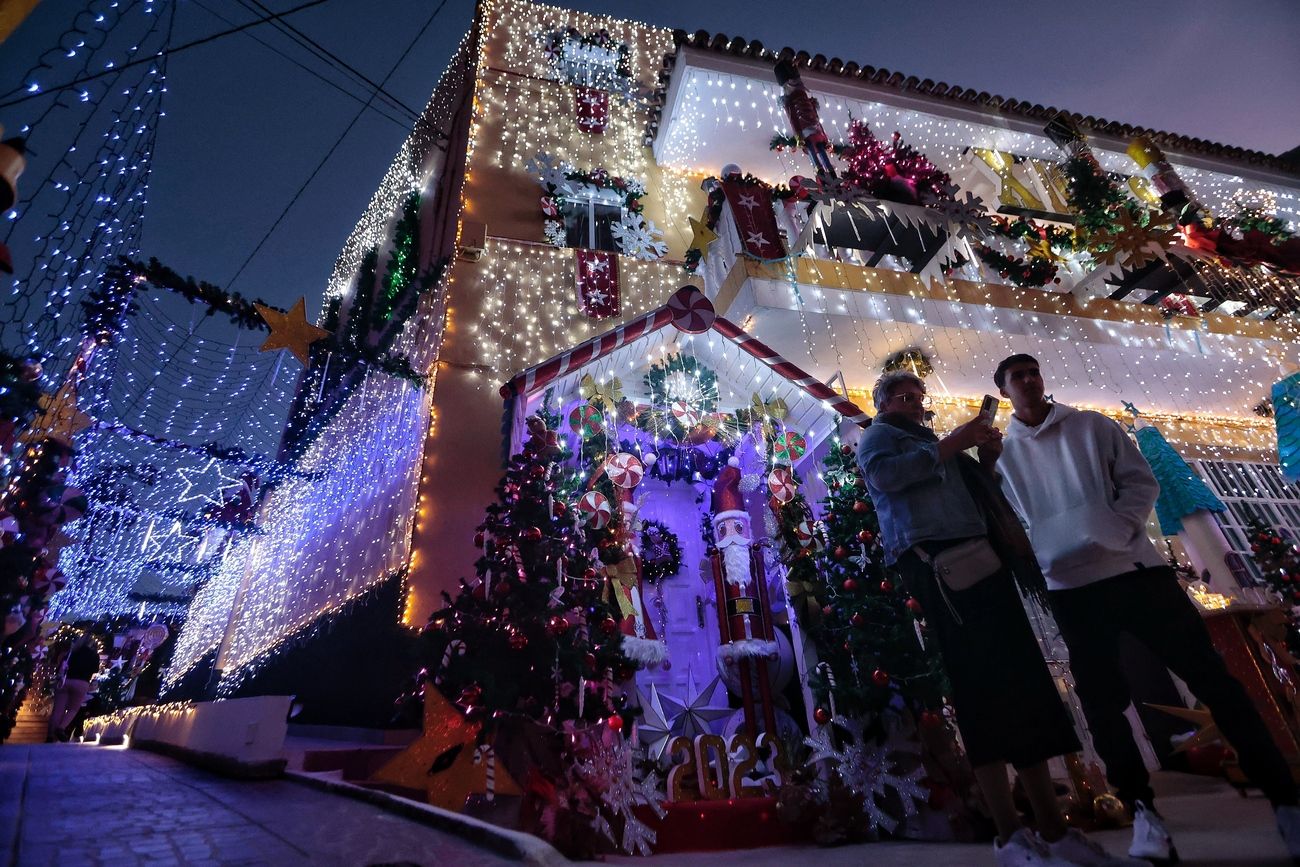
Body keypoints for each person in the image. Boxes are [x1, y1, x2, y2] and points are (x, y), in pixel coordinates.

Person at [988, 353, 1300, 863]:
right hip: (1072, 590)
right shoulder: (1003, 459)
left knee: (1214, 681)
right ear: (1004, 391)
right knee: (1102, 704)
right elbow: (1011, 521)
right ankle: (1144, 814)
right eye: (1015, 377)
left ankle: (1286, 803)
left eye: (1032, 372)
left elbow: (1140, 483)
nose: (1027, 380)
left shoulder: (1092, 426)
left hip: (1138, 574)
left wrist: (1116, 527)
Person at [857, 370, 1141, 867]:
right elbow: (887, 477)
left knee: (1024, 686)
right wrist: (953, 442)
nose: (914, 404)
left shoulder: (935, 445)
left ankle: (1052, 829)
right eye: (904, 397)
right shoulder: (880, 437)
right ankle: (1010, 835)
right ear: (882, 402)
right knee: (981, 692)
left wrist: (984, 459)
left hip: (983, 562)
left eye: (918, 398)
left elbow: (973, 495)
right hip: (942, 569)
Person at [47, 630, 99, 741]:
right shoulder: (94, 655)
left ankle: (50, 735)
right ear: (91, 643)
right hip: (82, 683)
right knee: (73, 709)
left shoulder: (71, 652)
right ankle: (61, 728)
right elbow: (95, 670)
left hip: (65, 681)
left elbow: (60, 667)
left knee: (58, 709)